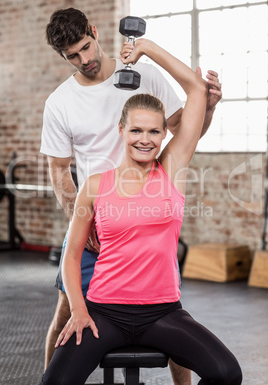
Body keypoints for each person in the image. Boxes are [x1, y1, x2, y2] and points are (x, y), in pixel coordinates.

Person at [40, 39, 242, 385]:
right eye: (136, 130)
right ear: (122, 131)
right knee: (53, 383)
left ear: (165, 134)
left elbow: (196, 88)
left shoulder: (172, 171)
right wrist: (78, 308)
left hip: (162, 313)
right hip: (104, 313)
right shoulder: (95, 186)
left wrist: (147, 48)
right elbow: (71, 257)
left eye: (153, 131)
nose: (144, 139)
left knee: (227, 374)